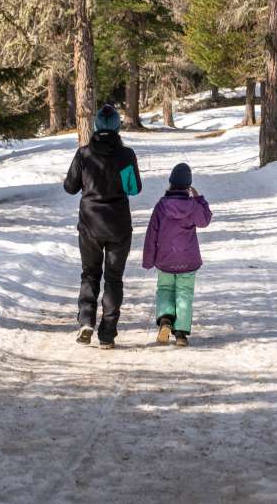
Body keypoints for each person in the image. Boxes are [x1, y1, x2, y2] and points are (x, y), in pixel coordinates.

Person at [63, 104, 142, 349]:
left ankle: (86, 320)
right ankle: (107, 333)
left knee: (90, 274)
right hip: (118, 225)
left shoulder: (84, 154)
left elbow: (70, 187)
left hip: (89, 225)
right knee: (113, 279)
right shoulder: (126, 155)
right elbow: (133, 189)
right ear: (117, 126)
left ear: (96, 126)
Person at [142, 162, 212, 347]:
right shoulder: (193, 206)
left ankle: (165, 320)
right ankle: (180, 333)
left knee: (165, 289)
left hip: (165, 260)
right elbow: (205, 220)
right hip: (187, 261)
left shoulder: (161, 206)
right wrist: (199, 199)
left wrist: (149, 259)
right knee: (185, 293)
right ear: (188, 186)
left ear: (171, 182)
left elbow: (152, 233)